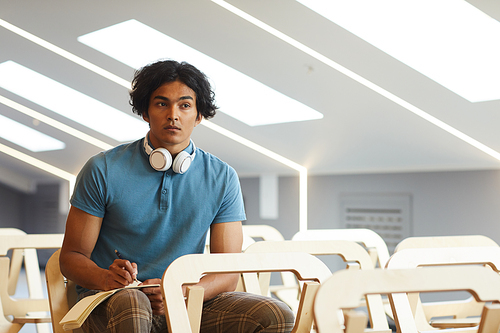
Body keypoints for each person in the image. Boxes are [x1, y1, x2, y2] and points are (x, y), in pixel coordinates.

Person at [59, 59, 295, 333]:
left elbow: (228, 271)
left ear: (198, 115)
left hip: (183, 301)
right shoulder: (103, 169)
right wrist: (105, 277)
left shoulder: (222, 177)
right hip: (110, 301)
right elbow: (71, 257)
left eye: (184, 105)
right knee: (133, 305)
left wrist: (181, 290)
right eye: (161, 104)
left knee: (275, 315)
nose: (173, 114)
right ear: (146, 112)